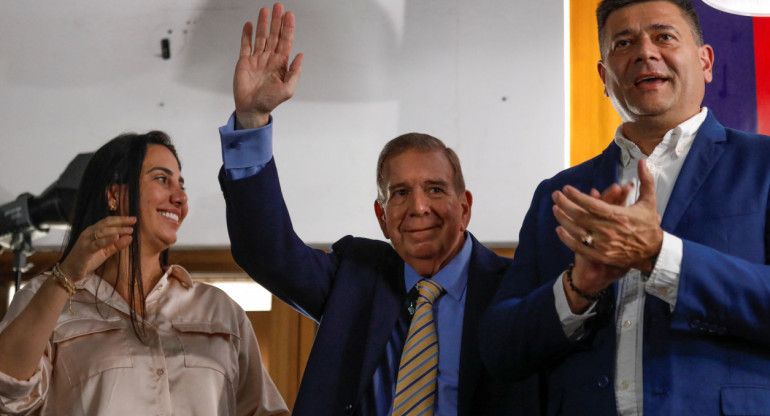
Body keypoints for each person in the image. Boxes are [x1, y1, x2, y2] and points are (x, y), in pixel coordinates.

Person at [217, 3, 538, 415]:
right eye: (400, 193)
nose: (418, 207)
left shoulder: (516, 289)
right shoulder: (354, 279)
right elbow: (266, 251)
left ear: (465, 206)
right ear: (382, 217)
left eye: (435, 189)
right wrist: (251, 118)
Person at [479, 0, 770, 414]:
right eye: (623, 42)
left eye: (664, 36)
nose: (645, 52)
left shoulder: (763, 166)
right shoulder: (560, 194)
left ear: (705, 62)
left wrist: (661, 257)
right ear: (604, 76)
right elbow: (500, 350)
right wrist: (576, 289)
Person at [0, 132, 288, 416]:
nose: (180, 198)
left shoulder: (220, 310)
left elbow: (264, 411)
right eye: (162, 180)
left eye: (181, 185)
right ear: (115, 195)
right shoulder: (44, 297)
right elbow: (7, 389)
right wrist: (65, 278)